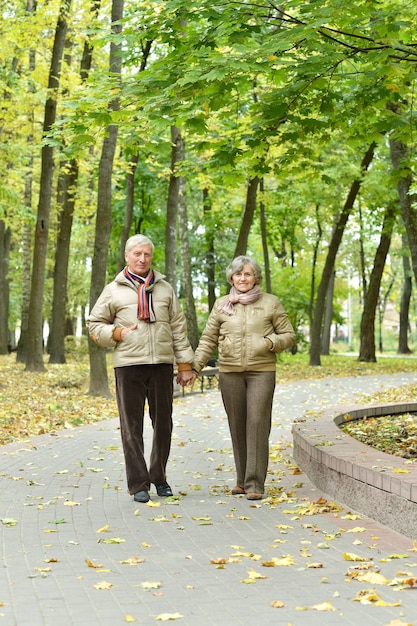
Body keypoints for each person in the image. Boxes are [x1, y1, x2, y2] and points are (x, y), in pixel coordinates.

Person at [87, 234, 195, 503]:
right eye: (137, 254)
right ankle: (138, 484)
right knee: (130, 426)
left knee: (163, 424)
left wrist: (184, 364)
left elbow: (178, 328)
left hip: (160, 364)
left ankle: (159, 477)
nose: (142, 259)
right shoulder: (113, 289)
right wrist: (117, 333)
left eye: (146, 254)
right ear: (127, 256)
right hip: (128, 365)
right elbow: (94, 324)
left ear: (151, 257)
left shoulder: (164, 288)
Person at [192, 256, 295, 501]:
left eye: (248, 274)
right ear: (232, 278)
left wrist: (268, 342)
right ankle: (241, 480)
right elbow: (208, 340)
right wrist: (194, 367)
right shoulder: (222, 305)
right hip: (229, 372)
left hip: (262, 370)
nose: (243, 278)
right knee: (237, 425)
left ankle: (255, 483)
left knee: (257, 423)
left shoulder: (271, 303)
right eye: (238, 274)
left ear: (255, 278)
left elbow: (288, 335)